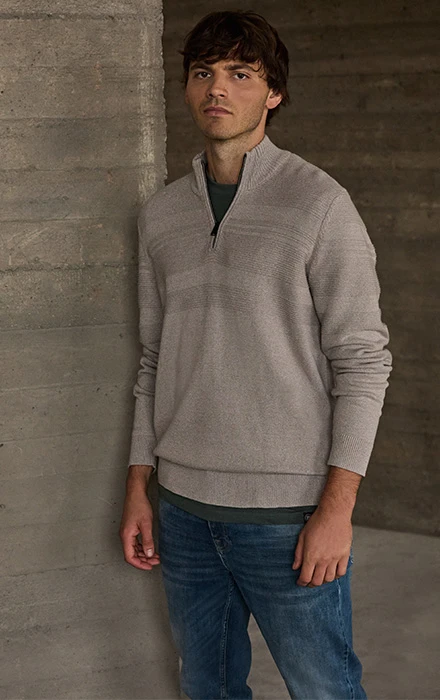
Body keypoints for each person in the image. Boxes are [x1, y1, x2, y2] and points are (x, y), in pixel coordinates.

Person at [119, 10, 393, 700]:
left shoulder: (319, 204)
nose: (218, 88)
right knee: (206, 688)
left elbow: (363, 360)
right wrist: (138, 486)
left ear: (273, 93)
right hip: (183, 512)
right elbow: (154, 359)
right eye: (203, 72)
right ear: (187, 88)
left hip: (287, 516)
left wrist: (337, 510)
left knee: (325, 690)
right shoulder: (161, 216)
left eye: (241, 73)